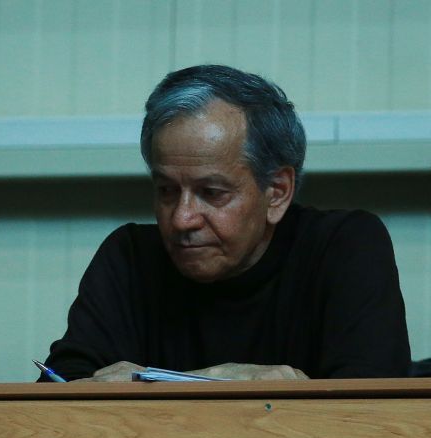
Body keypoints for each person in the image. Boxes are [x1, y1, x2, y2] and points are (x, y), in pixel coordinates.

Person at [38, 64, 410, 382]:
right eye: (166, 191)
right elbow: (58, 394)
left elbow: (372, 411)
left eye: (211, 193)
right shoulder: (130, 257)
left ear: (277, 193)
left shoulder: (344, 246)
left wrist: (152, 387)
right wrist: (219, 382)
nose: (182, 218)